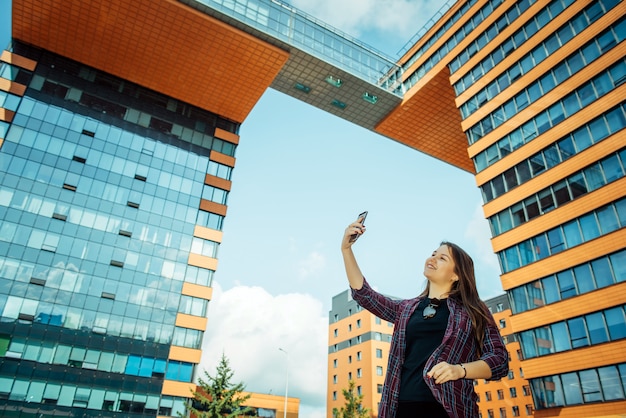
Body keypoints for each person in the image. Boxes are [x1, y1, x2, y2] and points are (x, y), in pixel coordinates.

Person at [341, 215, 509, 418]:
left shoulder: (473, 311)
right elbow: (365, 295)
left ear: (456, 275)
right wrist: (346, 250)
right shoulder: (407, 308)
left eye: (442, 258)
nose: (432, 259)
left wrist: (460, 370)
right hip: (400, 408)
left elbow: (499, 360)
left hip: (448, 409)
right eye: (433, 254)